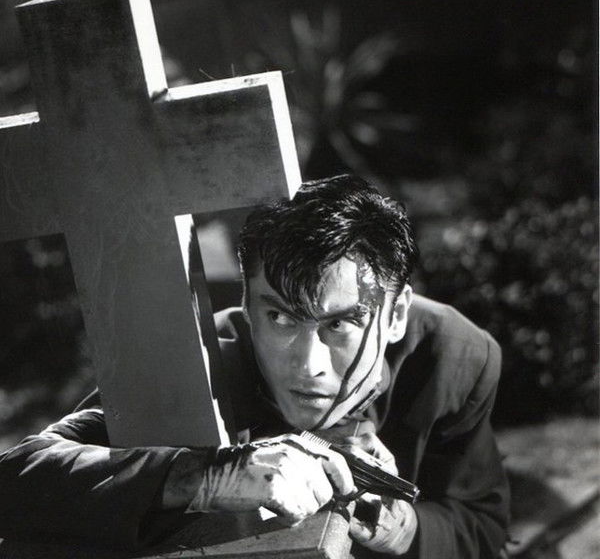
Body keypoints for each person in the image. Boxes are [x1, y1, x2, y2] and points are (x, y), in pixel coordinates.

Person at [0, 175, 509, 557]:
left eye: (340, 324)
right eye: (280, 317)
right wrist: (206, 478)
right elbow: (18, 476)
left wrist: (403, 529)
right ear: (245, 304)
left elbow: (482, 529)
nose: (307, 366)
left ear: (396, 315)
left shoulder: (455, 356)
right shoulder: (204, 361)